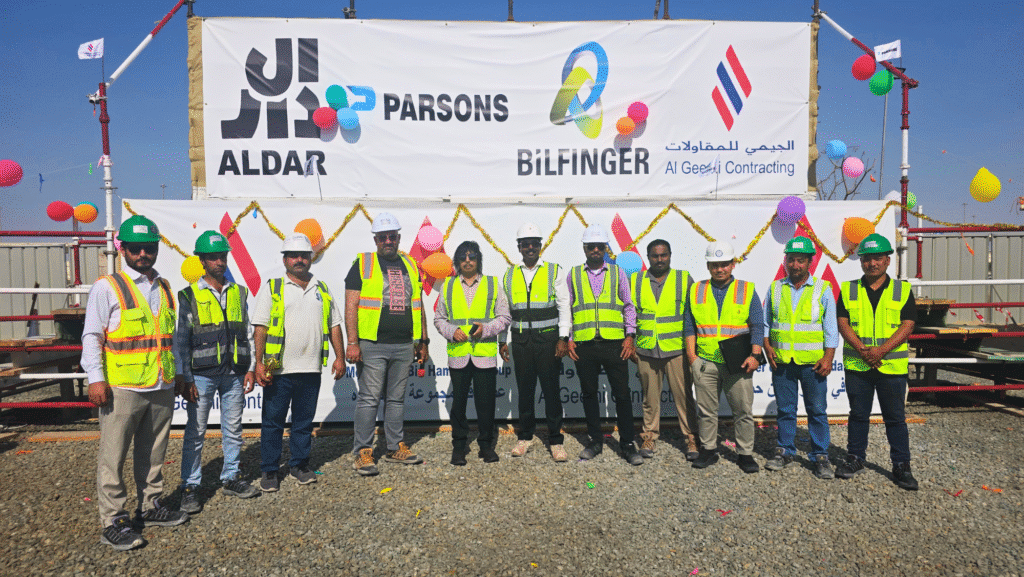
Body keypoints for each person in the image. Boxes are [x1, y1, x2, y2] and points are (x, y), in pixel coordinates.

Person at [83, 214, 189, 551]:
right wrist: (96, 379)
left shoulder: (165, 287)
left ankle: (150, 505)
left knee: (154, 452)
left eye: (149, 248)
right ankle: (113, 520)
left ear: (156, 249)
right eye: (135, 248)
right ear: (123, 249)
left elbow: (171, 337)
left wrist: (179, 373)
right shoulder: (107, 287)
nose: (143, 254)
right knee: (113, 457)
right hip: (123, 388)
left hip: (161, 385)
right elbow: (92, 335)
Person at [174, 230, 260, 514]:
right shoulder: (189, 295)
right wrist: (186, 377)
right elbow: (182, 340)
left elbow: (247, 332)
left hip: (234, 373)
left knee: (233, 428)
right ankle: (190, 485)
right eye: (213, 257)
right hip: (201, 375)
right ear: (202, 261)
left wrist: (250, 368)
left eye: (222, 256)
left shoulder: (239, 292)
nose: (219, 261)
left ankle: (231, 476)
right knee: (195, 432)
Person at [252, 233, 345, 492]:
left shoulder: (321, 289)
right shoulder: (274, 287)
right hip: (278, 370)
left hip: (310, 368)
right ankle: (270, 470)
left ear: (310, 258)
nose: (299, 260)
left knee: (303, 422)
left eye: (304, 255)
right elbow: (260, 327)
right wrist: (258, 363)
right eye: (293, 256)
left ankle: (299, 465)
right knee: (273, 422)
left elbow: (334, 325)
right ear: (285, 260)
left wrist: (340, 357)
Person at [344, 213, 429, 477]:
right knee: (369, 399)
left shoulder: (410, 264)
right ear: (376, 240)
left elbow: (418, 304)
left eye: (392, 236)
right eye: (383, 237)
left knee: (396, 399)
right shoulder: (363, 263)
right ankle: (363, 451)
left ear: (398, 238)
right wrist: (353, 342)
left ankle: (394, 447)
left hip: (404, 344)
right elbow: (351, 305)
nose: (388, 241)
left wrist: (423, 340)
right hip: (373, 343)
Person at [834, 233, 918, 490]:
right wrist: (862, 350)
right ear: (861, 261)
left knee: (895, 418)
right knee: (858, 415)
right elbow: (842, 322)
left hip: (891, 366)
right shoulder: (848, 289)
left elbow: (908, 324)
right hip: (858, 366)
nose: (872, 263)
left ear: (887, 260)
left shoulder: (902, 290)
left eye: (877, 258)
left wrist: (881, 351)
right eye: (867, 259)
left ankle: (901, 465)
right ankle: (855, 458)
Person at [762, 237, 838, 479]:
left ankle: (820, 456)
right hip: (783, 361)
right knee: (786, 410)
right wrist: (767, 347)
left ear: (809, 262)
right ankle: (784, 450)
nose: (795, 265)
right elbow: (765, 324)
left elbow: (831, 328)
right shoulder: (775, 288)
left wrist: (828, 357)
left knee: (817, 410)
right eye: (791, 260)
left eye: (800, 260)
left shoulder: (823, 289)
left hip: (813, 363)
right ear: (785, 261)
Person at [685, 241, 764, 473]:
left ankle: (745, 454)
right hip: (705, 362)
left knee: (743, 411)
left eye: (724, 264)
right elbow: (689, 326)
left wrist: (755, 355)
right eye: (715, 265)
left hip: (738, 363)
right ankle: (708, 450)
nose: (720, 269)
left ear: (732, 264)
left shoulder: (747, 289)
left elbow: (757, 325)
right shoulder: (696, 290)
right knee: (706, 411)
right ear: (708, 266)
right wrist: (692, 358)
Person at [567, 225, 643, 466]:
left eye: (600, 246)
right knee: (589, 394)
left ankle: (627, 444)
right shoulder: (574, 274)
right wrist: (569, 338)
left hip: (614, 343)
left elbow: (628, 306)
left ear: (606, 248)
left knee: (622, 394)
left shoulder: (618, 273)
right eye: (591, 246)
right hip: (585, 344)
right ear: (584, 248)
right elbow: (568, 309)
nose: (596, 250)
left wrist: (630, 336)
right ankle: (595, 441)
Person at [499, 223, 572, 462]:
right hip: (521, 342)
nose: (530, 248)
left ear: (540, 246)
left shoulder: (553, 270)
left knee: (551, 392)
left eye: (534, 243)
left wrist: (563, 338)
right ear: (519, 247)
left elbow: (564, 305)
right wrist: (502, 340)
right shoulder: (510, 274)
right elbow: (505, 311)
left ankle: (556, 440)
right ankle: (525, 436)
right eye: (525, 244)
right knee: (525, 392)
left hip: (548, 342)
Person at [434, 241, 511, 465]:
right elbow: (439, 319)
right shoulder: (448, 285)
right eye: (463, 257)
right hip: (458, 355)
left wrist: (486, 329)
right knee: (458, 404)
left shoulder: (492, 284)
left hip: (484, 355)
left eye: (472, 256)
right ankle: (459, 447)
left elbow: (504, 317)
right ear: (457, 261)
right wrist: (452, 331)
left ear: (478, 259)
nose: (467, 261)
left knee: (486, 404)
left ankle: (486, 446)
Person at [629, 239, 699, 461]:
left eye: (664, 255)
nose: (659, 259)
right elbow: (630, 313)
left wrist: (692, 348)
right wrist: (631, 342)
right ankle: (649, 436)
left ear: (670, 255)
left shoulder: (683, 278)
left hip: (676, 349)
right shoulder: (635, 280)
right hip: (646, 349)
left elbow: (692, 314)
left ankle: (691, 437)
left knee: (684, 397)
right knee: (649, 399)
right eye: (655, 256)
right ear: (648, 257)